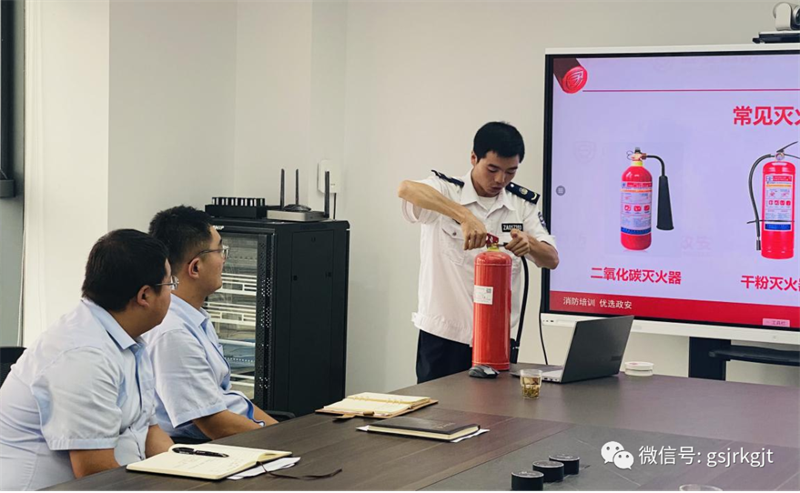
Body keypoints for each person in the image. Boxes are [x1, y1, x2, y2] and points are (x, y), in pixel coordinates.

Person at [0, 230, 175, 491]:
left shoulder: (128, 341)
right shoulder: (84, 356)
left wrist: (192, 469)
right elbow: (95, 472)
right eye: (170, 284)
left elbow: (149, 431)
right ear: (145, 296)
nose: (172, 293)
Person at [398, 121, 559, 384]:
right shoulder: (447, 190)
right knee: (439, 408)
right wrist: (463, 215)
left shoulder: (521, 205)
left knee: (496, 409)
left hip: (498, 339)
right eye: (492, 169)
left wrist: (530, 244)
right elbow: (406, 189)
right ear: (474, 158)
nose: (500, 180)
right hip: (445, 336)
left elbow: (552, 259)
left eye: (510, 172)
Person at [144, 206, 277, 442]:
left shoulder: (195, 318)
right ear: (195, 267)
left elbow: (230, 400)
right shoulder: (173, 333)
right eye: (220, 251)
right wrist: (280, 441)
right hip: (207, 446)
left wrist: (283, 432)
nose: (224, 259)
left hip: (238, 434)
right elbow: (213, 422)